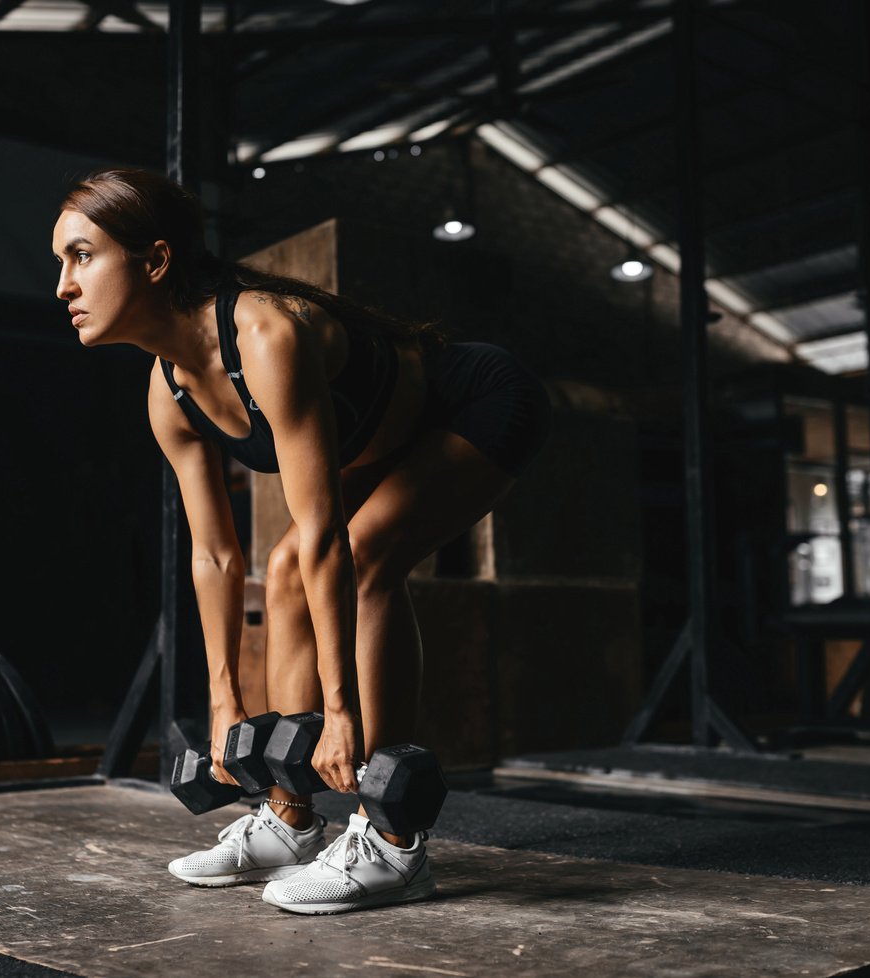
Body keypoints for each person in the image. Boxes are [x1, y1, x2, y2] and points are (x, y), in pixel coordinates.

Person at [52, 167, 550, 914]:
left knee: (363, 556)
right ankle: (290, 817)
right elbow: (216, 557)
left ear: (154, 261)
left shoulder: (264, 334)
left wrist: (341, 713)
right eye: (61, 262)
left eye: (81, 256)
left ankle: (393, 841)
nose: (63, 285)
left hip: (474, 402)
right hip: (381, 442)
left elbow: (324, 539)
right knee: (280, 573)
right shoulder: (169, 390)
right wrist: (224, 703)